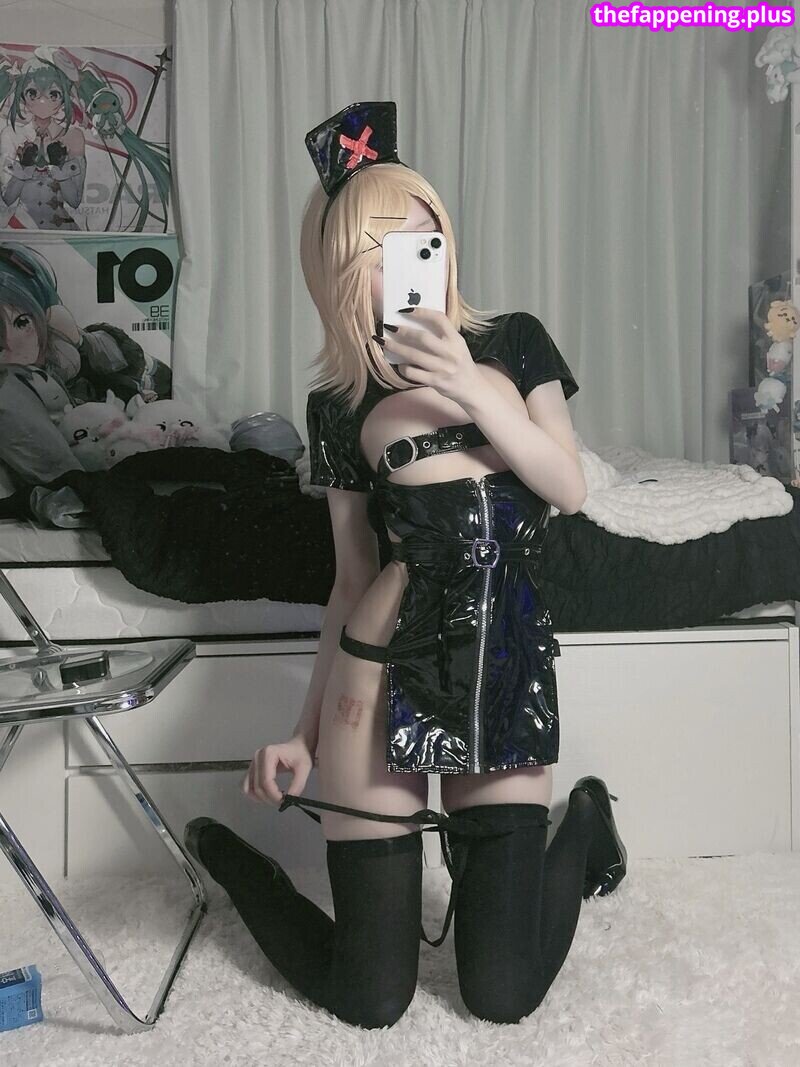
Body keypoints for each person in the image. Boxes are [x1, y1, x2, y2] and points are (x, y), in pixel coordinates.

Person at [184, 101, 627, 1030]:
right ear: (344, 272)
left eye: (424, 231)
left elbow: (568, 484)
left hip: (502, 665)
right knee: (370, 996)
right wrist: (303, 733)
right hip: (379, 673)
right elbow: (350, 580)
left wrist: (470, 386)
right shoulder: (340, 406)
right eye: (382, 245)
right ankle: (233, 861)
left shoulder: (514, 343)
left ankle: (584, 819)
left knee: (502, 993)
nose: (415, 255)